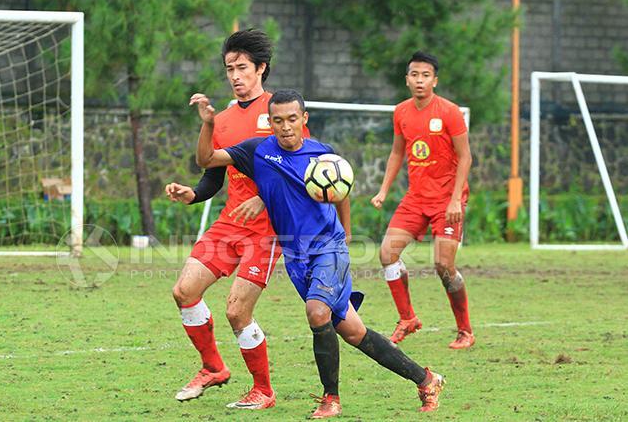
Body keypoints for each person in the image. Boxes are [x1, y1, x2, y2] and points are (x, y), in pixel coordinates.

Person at [192, 88, 445, 418]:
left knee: (317, 313)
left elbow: (341, 192)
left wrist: (347, 236)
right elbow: (207, 160)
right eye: (278, 120)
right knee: (354, 332)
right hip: (296, 258)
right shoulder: (257, 151)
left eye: (292, 119)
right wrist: (209, 125)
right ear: (270, 122)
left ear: (304, 119)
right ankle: (426, 379)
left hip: (329, 249)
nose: (285, 127)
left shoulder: (323, 154)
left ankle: (331, 399)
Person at [165, 29, 310, 410]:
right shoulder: (224, 118)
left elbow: (300, 171)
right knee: (184, 291)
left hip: (268, 228)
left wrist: (263, 200)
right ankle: (213, 367)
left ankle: (263, 390)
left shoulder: (280, 113)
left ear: (261, 68)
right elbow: (213, 174)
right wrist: (193, 194)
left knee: (236, 310)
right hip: (230, 222)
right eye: (229, 68)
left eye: (242, 67)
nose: (234, 75)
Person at [370, 51, 474, 349]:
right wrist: (383, 190)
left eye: (425, 75)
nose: (419, 80)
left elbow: (466, 156)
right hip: (416, 198)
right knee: (387, 253)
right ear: (407, 79)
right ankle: (408, 319)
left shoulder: (449, 112)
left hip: (447, 200)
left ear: (435, 80)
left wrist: (455, 200)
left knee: (443, 265)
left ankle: (465, 330)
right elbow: (397, 152)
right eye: (414, 74)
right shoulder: (401, 111)